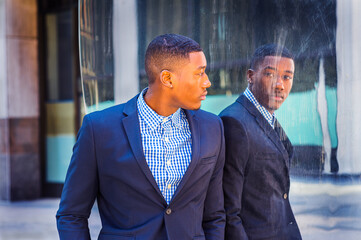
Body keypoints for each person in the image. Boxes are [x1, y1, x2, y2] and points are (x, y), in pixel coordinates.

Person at [56, 34, 225, 240]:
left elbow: (214, 215)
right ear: (167, 79)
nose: (207, 82)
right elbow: (71, 215)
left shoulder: (213, 127)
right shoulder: (98, 129)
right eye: (199, 73)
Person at [220, 44, 302, 239]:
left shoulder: (266, 115)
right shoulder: (235, 122)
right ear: (250, 76)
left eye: (287, 77)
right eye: (270, 74)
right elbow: (229, 211)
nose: (280, 85)